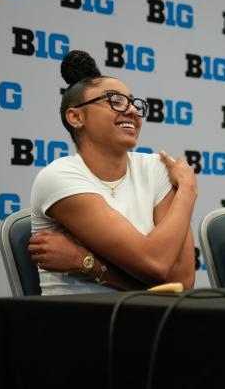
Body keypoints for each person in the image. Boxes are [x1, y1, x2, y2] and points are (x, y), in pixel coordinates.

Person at [29, 50, 197, 295]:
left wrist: (86, 262)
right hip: (79, 322)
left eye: (132, 102)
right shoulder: (59, 177)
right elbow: (157, 264)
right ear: (76, 116)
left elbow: (180, 282)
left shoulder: (156, 167)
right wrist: (188, 192)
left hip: (151, 318)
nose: (131, 110)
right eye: (115, 101)